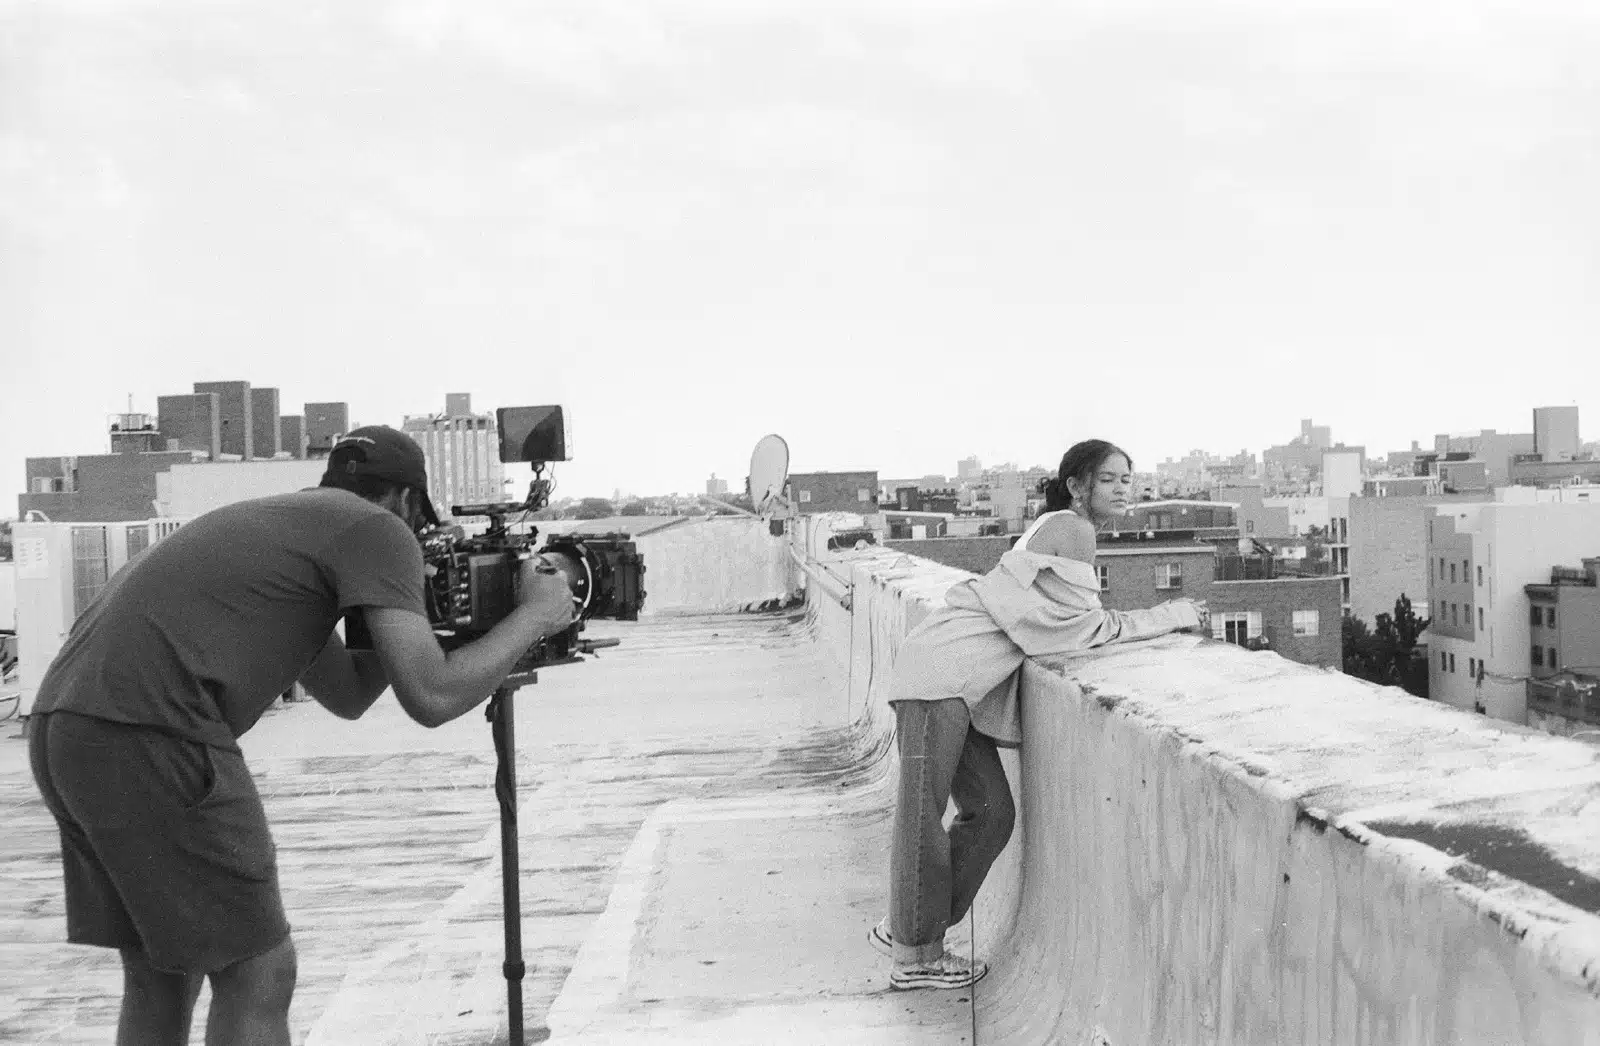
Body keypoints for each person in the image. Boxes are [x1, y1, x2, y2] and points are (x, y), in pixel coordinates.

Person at [26, 426, 576, 1046]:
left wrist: (427, 619)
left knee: (164, 969)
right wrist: (533, 617)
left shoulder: (284, 526)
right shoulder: (378, 530)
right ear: (402, 501)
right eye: (418, 524)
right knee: (258, 972)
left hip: (64, 728)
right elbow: (434, 696)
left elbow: (347, 694)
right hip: (158, 732)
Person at [870, 439, 1209, 990]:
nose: (1124, 488)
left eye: (1128, 478)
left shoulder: (1052, 525)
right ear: (1077, 486)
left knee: (992, 813)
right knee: (922, 816)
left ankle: (908, 923)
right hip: (941, 673)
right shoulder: (1074, 531)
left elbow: (1058, 624)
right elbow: (1087, 630)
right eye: (1109, 479)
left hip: (958, 679)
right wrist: (1174, 614)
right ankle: (915, 957)